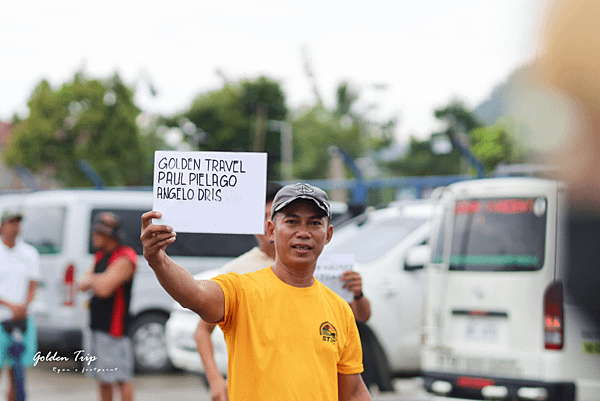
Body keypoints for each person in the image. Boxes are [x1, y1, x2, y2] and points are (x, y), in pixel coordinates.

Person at [141, 183, 372, 400]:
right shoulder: (241, 289)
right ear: (271, 230)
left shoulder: (339, 309)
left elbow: (352, 392)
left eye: (314, 223)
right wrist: (158, 261)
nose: (303, 232)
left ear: (328, 234)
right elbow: (195, 295)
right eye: (292, 222)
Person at [78, 212, 137, 401]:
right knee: (102, 377)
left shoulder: (126, 256)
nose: (93, 237)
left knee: (121, 377)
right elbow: (81, 284)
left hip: (115, 329)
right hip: (96, 325)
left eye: (97, 233)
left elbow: (104, 289)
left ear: (109, 235)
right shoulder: (100, 256)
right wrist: (97, 279)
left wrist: (93, 280)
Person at [0, 210, 40, 401]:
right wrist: (10, 305)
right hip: (1, 318)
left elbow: (33, 285)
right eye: (11, 222)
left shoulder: (29, 253)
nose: (15, 227)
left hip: (22, 320)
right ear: (2, 226)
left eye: (18, 223)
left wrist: (23, 306)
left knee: (17, 375)